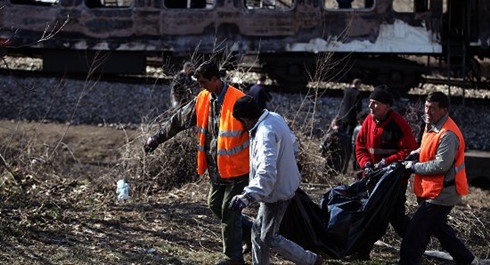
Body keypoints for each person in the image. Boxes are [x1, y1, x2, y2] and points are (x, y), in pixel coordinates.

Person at [144, 61, 252, 265]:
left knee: (229, 209)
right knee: (214, 204)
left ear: (215, 79)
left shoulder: (238, 100)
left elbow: (257, 133)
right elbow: (178, 120)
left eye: (203, 82)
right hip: (217, 169)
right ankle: (251, 233)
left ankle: (233, 258)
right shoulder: (203, 99)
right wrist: (156, 138)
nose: (200, 86)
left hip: (238, 168)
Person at [229, 96, 324, 265]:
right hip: (280, 186)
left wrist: (247, 196)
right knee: (258, 234)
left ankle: (311, 260)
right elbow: (293, 144)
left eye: (241, 122)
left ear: (246, 118)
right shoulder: (274, 118)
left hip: (276, 193)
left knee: (269, 237)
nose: (242, 127)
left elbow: (266, 173)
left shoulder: (264, 134)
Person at [400, 92, 478, 265]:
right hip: (433, 190)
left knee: (415, 233)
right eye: (426, 107)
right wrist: (417, 153)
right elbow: (430, 148)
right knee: (440, 230)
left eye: (432, 108)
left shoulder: (448, 134)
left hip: (442, 194)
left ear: (444, 110)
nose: (428, 111)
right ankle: (468, 260)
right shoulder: (432, 124)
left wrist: (413, 167)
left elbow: (441, 165)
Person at [354, 85, 418, 260]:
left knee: (396, 219)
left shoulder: (398, 123)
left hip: (394, 183)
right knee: (370, 215)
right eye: (370, 103)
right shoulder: (368, 121)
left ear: (387, 107)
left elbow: (410, 151)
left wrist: (385, 163)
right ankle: (361, 251)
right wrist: (366, 163)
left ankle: (415, 248)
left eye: (375, 103)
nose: (371, 107)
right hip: (374, 179)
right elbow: (360, 147)